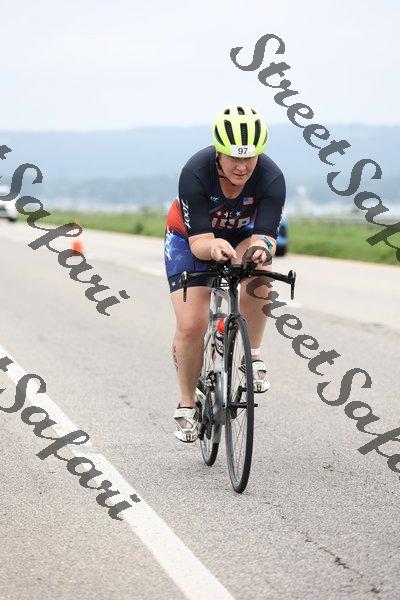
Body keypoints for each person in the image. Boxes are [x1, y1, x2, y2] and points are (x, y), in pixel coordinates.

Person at [163, 105, 286, 443]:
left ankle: (252, 356)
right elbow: (200, 242)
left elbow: (265, 236)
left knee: (261, 270)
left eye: (249, 157)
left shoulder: (272, 177)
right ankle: (187, 404)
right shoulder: (195, 172)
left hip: (241, 233)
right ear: (218, 151)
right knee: (192, 324)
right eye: (233, 157)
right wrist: (213, 246)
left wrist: (261, 249)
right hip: (190, 238)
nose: (242, 166)